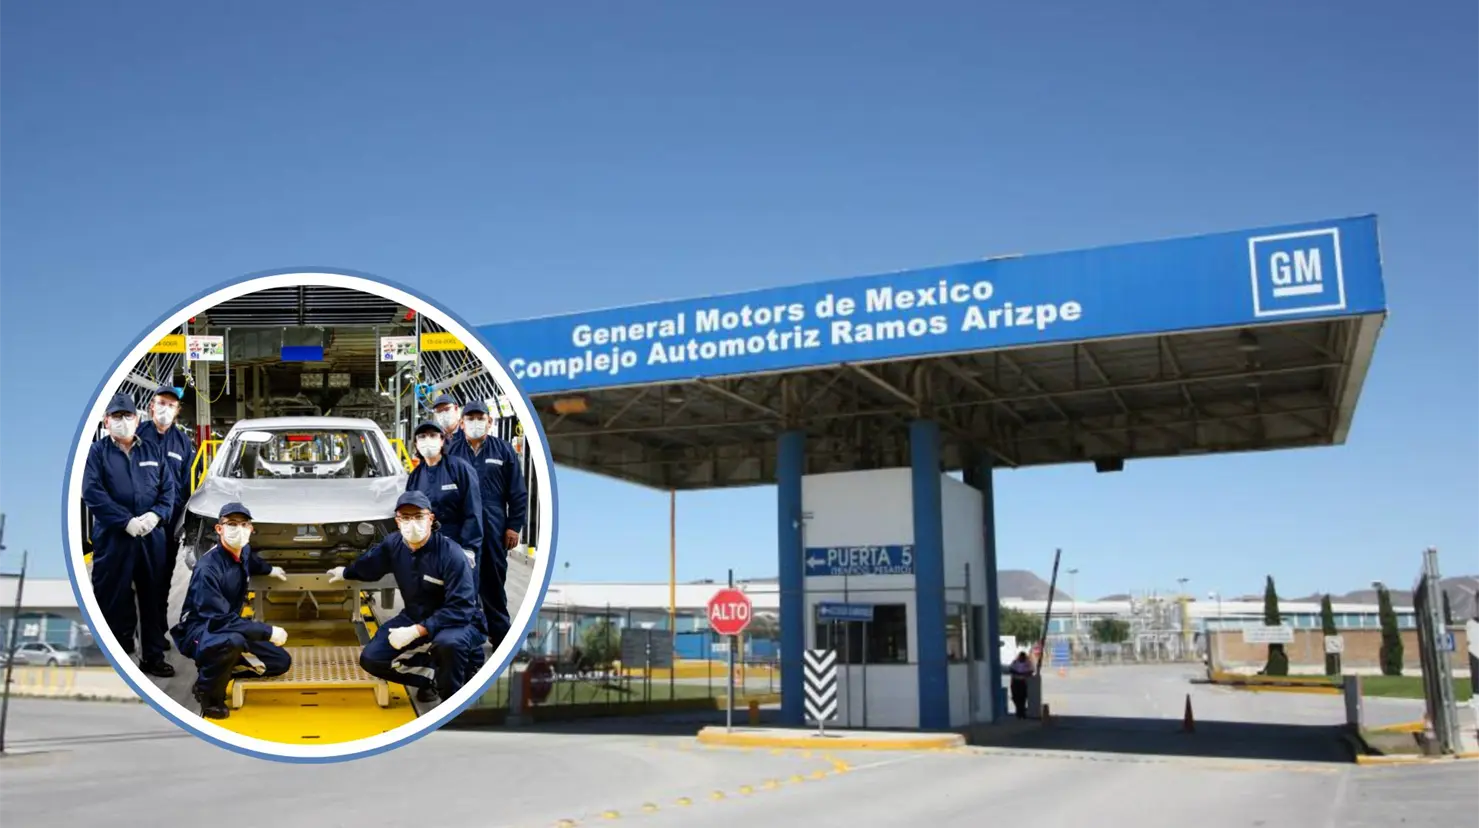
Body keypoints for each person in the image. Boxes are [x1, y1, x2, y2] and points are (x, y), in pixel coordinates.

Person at [327, 491, 482, 704]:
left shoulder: (451, 555)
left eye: (418, 517)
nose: (412, 523)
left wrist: (417, 631)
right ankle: (432, 677)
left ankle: (452, 696)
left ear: (431, 518)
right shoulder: (394, 544)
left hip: (457, 622)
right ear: (397, 522)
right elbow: (370, 565)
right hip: (414, 614)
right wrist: (346, 572)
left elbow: (461, 608)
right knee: (372, 658)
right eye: (406, 518)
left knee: (449, 644)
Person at [81, 392, 178, 678]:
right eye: (116, 417)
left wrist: (156, 515)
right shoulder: (96, 453)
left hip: (151, 538)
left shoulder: (152, 450)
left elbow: (168, 489)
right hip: (114, 538)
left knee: (152, 597)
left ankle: (153, 657)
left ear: (137, 419)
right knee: (113, 598)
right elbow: (92, 492)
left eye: (127, 416)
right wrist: (125, 521)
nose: (123, 422)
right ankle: (119, 655)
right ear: (106, 421)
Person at [170, 502, 291, 720]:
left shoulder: (242, 549)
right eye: (232, 524)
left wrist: (270, 570)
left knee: (280, 662)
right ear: (219, 529)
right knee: (231, 641)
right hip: (201, 630)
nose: (239, 529)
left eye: (244, 524)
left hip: (227, 623)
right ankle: (208, 694)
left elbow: (251, 561)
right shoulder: (208, 569)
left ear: (251, 529)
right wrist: (267, 631)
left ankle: (222, 671)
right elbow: (218, 619)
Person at [447, 400, 528, 653]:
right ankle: (468, 636)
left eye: (479, 417)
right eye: (469, 418)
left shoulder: (503, 450)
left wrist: (514, 526)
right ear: (461, 423)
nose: (475, 422)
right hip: (462, 525)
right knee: (463, 581)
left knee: (493, 580)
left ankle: (501, 636)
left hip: (494, 524)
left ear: (490, 421)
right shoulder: (451, 451)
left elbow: (517, 492)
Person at [135, 383, 197, 651]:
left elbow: (186, 485)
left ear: (178, 410)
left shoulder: (182, 443)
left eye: (171, 405)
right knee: (144, 580)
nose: (165, 409)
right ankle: (146, 634)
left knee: (163, 577)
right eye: (161, 403)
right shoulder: (137, 436)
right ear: (151, 405)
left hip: (169, 523)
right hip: (142, 521)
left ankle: (157, 628)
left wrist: (185, 524)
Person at [405, 420, 484, 568]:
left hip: (458, 545)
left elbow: (473, 511)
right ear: (416, 443)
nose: (427, 440)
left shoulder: (460, 469)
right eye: (422, 436)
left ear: (442, 440)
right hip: (427, 548)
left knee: (459, 590)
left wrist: (469, 548)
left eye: (433, 435)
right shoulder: (415, 477)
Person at [1008, 650, 1035, 719]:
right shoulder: (1015, 662)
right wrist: (1018, 673)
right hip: (1015, 682)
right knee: (1015, 697)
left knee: (1023, 698)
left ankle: (1021, 713)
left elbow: (1031, 671)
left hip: (1023, 682)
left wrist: (1024, 673)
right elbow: (1011, 669)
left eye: (1023, 657)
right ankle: (1019, 711)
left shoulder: (1028, 663)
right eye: (1020, 657)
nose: (1021, 659)